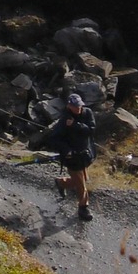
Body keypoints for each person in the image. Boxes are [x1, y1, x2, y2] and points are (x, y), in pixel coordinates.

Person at [47, 93, 96, 221]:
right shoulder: (64, 120)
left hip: (85, 154)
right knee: (81, 184)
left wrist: (75, 125)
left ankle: (60, 182)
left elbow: (91, 130)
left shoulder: (87, 113)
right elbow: (54, 139)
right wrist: (67, 151)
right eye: (75, 106)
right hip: (72, 158)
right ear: (69, 106)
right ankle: (83, 208)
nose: (78, 108)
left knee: (80, 180)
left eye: (79, 105)